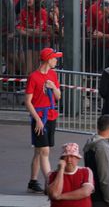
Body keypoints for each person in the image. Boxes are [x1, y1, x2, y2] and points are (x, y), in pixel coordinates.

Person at [25, 47, 63, 194]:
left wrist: (53, 87)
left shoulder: (53, 75)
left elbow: (58, 96)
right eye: (54, 58)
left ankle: (32, 181)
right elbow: (28, 101)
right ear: (48, 59)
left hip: (51, 116)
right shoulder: (33, 77)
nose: (56, 60)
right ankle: (50, 183)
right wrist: (38, 120)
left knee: (39, 151)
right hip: (39, 117)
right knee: (44, 151)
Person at [84, 115, 109, 207]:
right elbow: (104, 178)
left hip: (95, 196)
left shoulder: (92, 141)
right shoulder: (102, 147)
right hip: (102, 200)